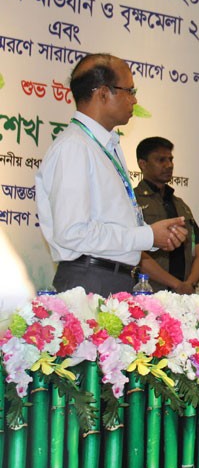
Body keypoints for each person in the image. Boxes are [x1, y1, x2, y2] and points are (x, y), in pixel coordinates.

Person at [35, 53, 187, 296]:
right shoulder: (75, 147)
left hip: (113, 278)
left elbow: (108, 221)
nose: (135, 100)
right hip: (91, 281)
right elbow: (73, 233)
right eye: (130, 91)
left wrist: (151, 233)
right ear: (103, 93)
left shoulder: (104, 145)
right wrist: (146, 236)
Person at [135, 137, 199, 294]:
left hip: (185, 295)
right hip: (148, 295)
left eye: (170, 159)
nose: (169, 165)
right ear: (143, 164)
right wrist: (176, 284)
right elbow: (136, 252)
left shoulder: (181, 205)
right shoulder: (132, 202)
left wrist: (189, 284)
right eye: (161, 160)